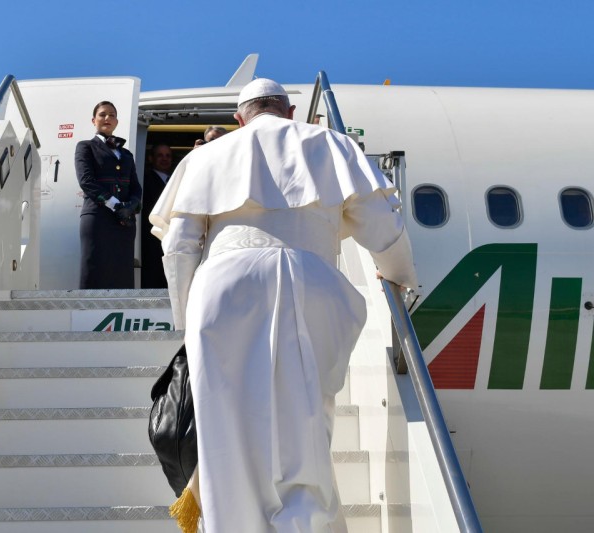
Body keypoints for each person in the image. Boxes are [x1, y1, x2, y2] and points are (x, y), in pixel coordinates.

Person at [150, 78, 418, 531]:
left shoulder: (206, 156)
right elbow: (382, 227)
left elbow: (179, 247)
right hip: (310, 279)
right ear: (290, 111)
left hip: (224, 285)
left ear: (239, 118)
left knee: (225, 430)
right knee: (304, 423)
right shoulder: (331, 143)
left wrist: (187, 322)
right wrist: (401, 278)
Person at [74, 101, 142, 289]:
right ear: (93, 120)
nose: (107, 118)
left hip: (125, 222)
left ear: (117, 121)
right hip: (98, 218)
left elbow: (136, 187)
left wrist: (132, 206)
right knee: (94, 271)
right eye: (102, 114)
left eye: (112, 115)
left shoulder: (126, 154)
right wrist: (116, 205)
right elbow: (86, 181)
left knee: (122, 274)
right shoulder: (85, 147)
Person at [141, 143, 173, 288]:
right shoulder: (145, 179)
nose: (164, 159)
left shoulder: (175, 179)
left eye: (168, 156)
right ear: (150, 158)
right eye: (160, 155)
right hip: (152, 242)